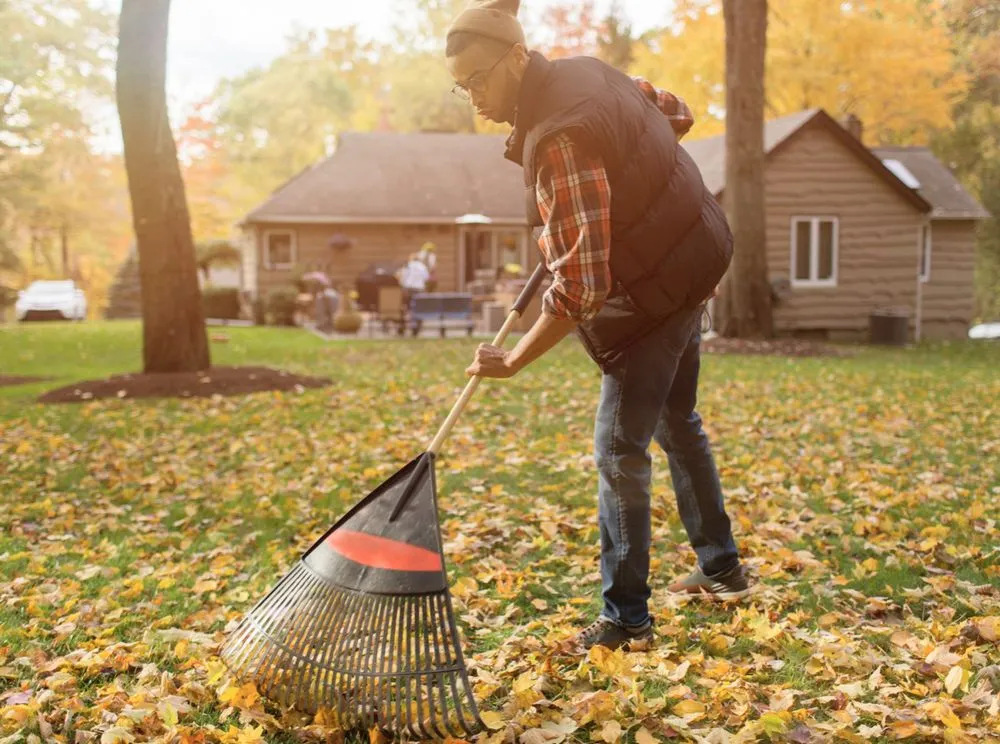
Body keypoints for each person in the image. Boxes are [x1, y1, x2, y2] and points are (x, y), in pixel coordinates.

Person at [446, 0, 748, 652]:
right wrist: (621, 186)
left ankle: (626, 620)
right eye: (462, 86)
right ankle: (722, 567)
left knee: (619, 452)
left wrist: (515, 359)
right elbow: (674, 112)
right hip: (697, 256)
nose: (473, 98)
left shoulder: (558, 137)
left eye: (479, 79)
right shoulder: (592, 74)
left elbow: (582, 287)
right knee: (676, 419)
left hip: (656, 294)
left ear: (518, 58)